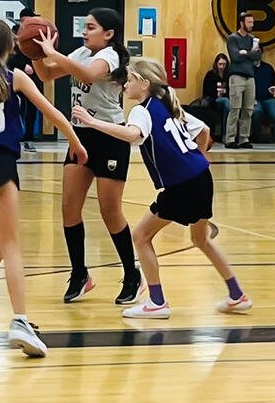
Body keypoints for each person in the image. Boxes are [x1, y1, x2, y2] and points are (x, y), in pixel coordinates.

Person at [73, 58, 251, 319]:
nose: (125, 84)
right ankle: (237, 295)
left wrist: (92, 122)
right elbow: (204, 130)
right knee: (200, 239)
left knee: (141, 236)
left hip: (183, 185)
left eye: (130, 80)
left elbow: (133, 135)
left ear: (144, 84)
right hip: (201, 177)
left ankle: (157, 302)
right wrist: (197, 158)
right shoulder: (167, 104)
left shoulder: (141, 110)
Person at [0, 18, 87, 357]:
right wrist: (76, 142)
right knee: (11, 244)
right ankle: (21, 321)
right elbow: (53, 113)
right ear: (11, 47)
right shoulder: (17, 78)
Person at [32, 9, 141, 306]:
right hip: (80, 136)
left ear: (109, 34)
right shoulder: (80, 52)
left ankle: (132, 273)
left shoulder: (112, 56)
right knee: (69, 207)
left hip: (109, 137)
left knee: (110, 211)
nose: (84, 31)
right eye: (84, 25)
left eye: (90, 27)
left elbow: (87, 75)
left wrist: (53, 51)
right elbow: (47, 75)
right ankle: (80, 274)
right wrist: (35, 52)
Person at [6, 13, 42, 152]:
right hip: (15, 77)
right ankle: (14, 135)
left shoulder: (36, 33)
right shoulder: (13, 33)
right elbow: (8, 57)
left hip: (33, 77)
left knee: (33, 108)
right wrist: (22, 66)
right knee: (15, 106)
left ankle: (28, 137)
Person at [225, 11, 261, 148]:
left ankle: (244, 138)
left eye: (252, 22)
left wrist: (246, 52)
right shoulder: (233, 38)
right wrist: (249, 53)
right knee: (235, 108)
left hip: (250, 77)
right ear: (242, 23)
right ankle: (230, 138)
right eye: (249, 22)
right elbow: (235, 57)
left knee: (248, 109)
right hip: (237, 76)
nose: (252, 25)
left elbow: (258, 56)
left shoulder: (253, 39)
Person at [251, 58, 275, 144]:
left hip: (269, 98)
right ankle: (255, 138)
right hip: (254, 99)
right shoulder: (248, 68)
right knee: (256, 112)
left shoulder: (268, 67)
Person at [201, 53, 230, 140]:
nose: (222, 67)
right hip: (213, 100)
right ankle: (225, 134)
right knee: (226, 102)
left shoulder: (228, 76)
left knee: (228, 104)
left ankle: (226, 133)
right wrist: (217, 93)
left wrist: (225, 92)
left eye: (224, 64)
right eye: (220, 64)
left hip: (227, 100)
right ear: (216, 64)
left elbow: (232, 90)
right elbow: (206, 92)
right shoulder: (210, 75)